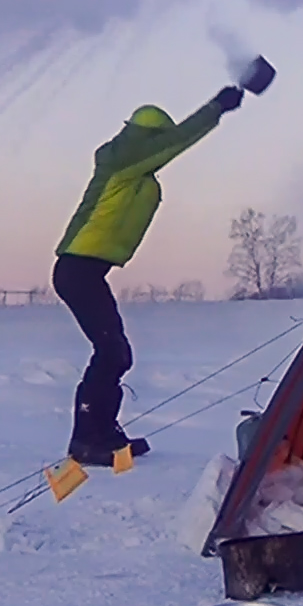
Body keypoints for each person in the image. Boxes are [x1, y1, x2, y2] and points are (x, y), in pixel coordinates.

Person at [53, 84, 246, 465]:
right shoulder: (124, 160)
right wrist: (216, 108)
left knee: (117, 353)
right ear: (145, 137)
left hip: (89, 272)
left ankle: (103, 432)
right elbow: (176, 142)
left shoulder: (132, 168)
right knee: (110, 351)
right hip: (77, 269)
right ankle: (86, 441)